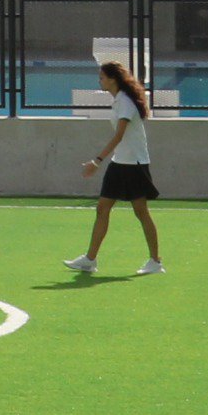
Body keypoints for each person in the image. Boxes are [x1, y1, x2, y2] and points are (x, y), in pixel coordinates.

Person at [70, 60, 167, 277]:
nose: (100, 80)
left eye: (102, 77)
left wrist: (96, 161)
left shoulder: (125, 102)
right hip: (120, 162)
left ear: (113, 79)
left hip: (134, 164)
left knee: (141, 212)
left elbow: (119, 135)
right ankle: (90, 260)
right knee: (102, 208)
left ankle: (155, 261)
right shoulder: (119, 101)